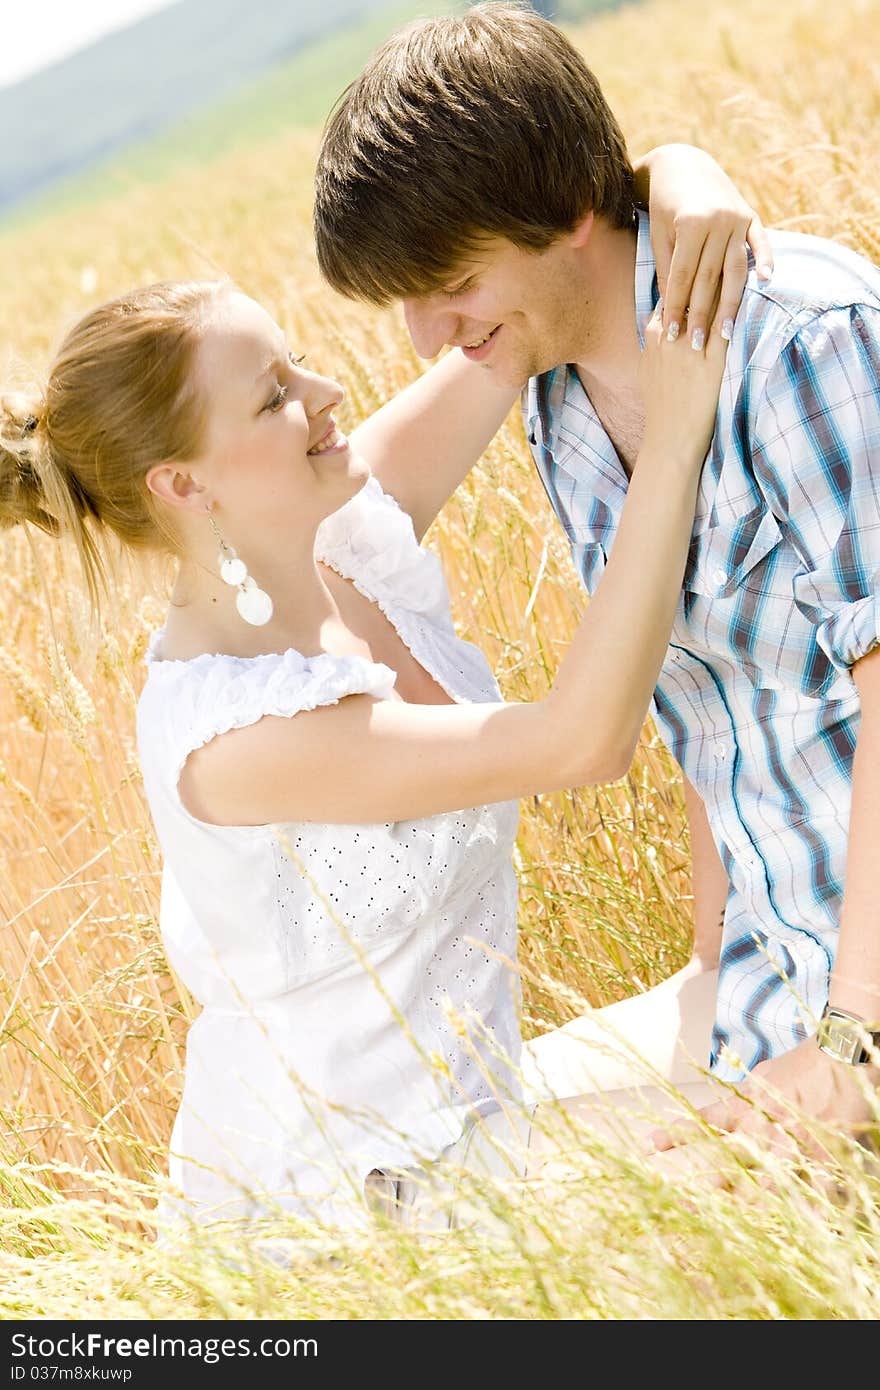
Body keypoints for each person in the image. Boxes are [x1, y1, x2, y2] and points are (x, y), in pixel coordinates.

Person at [0, 153, 748, 1229]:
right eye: (273, 396)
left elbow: (523, 311)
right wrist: (672, 442)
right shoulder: (232, 733)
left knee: (769, 1025)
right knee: (759, 1142)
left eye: (294, 362)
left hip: (474, 1120)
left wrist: (676, 178)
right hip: (351, 1209)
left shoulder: (338, 521)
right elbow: (580, 740)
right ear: (184, 483)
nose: (324, 393)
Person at [312, 0, 880, 1169]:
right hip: (770, 972)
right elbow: (713, 700)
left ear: (571, 218)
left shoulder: (802, 340)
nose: (426, 336)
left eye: (451, 282)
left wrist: (855, 1048)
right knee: (429, 1169)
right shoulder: (557, 405)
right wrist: (716, 957)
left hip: (858, 1000)